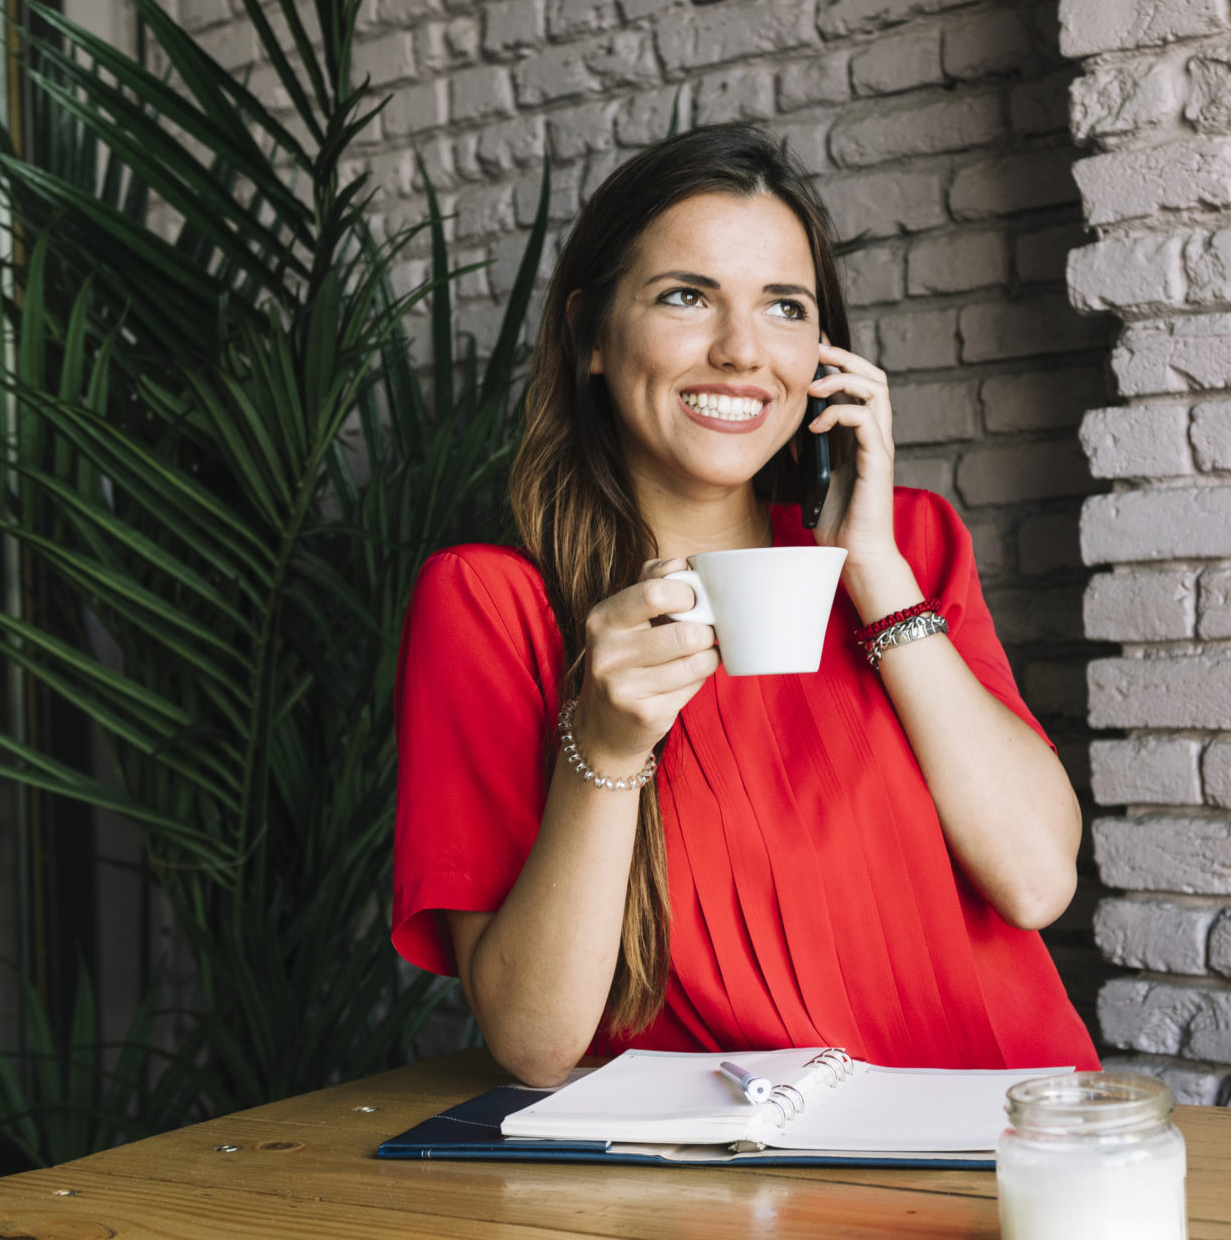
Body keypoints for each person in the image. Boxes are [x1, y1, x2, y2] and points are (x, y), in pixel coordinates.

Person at [390, 122, 1100, 1088]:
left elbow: (1034, 879)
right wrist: (602, 747)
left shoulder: (911, 548)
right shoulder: (492, 605)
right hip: (723, 1192)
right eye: (687, 296)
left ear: (824, 355)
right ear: (591, 335)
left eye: (784, 307)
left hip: (1003, 1152)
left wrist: (875, 573)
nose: (740, 350)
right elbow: (534, 1043)